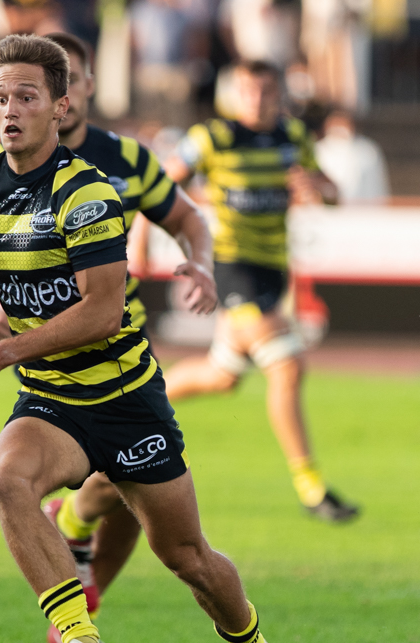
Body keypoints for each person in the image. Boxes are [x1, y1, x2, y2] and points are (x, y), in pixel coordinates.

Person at [0, 34, 308, 643]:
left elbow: (102, 311)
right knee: (7, 479)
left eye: (26, 96)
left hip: (124, 398)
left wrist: (3, 351)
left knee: (188, 558)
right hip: (51, 396)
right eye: (0, 97)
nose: (9, 110)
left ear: (61, 106)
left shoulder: (86, 189)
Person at [0, 31, 218, 643]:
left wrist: (201, 263)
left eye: (37, 90)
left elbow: (187, 218)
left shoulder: (127, 159)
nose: (15, 107)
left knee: (135, 499)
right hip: (47, 361)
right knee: (52, 477)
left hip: (120, 343)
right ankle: (77, 622)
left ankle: (82, 564)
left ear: (77, 90)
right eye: (6, 95)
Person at [159, 60, 358, 522]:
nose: (257, 100)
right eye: (248, 91)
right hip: (231, 266)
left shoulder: (293, 137)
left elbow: (334, 195)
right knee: (287, 367)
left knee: (221, 376)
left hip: (273, 269)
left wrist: (318, 186)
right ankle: (311, 487)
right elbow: (164, 182)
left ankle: (134, 397)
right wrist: (154, 230)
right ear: (234, 95)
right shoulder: (213, 137)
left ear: (279, 95)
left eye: (266, 92)